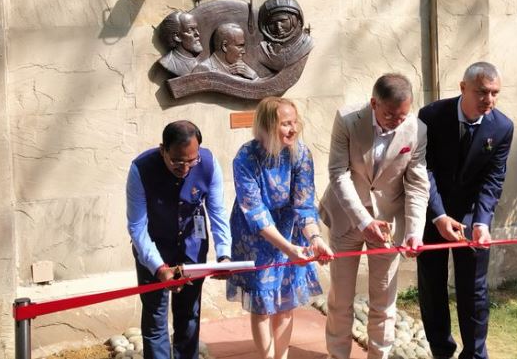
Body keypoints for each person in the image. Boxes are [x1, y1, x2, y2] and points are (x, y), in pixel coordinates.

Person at [319, 73, 430, 359]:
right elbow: (338, 173)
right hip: (346, 217)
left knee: (384, 300)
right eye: (390, 115)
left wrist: (414, 232)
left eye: (403, 115)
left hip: (389, 223)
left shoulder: (417, 129)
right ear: (373, 103)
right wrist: (364, 221)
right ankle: (338, 355)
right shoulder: (346, 120)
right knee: (341, 298)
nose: (397, 122)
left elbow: (417, 185)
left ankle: (379, 355)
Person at [417, 62, 514, 359]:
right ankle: (441, 351)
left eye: (495, 93)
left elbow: (493, 180)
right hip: (432, 212)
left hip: (472, 215)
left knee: (474, 288)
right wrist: (438, 215)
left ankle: (474, 354)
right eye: (482, 92)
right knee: (432, 286)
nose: (489, 100)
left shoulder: (502, 127)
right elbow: (424, 170)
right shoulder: (431, 116)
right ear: (463, 88)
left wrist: (482, 222)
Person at [227, 97, 333, 359]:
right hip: (254, 235)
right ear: (266, 126)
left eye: (295, 122)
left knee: (286, 302)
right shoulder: (245, 157)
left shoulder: (301, 154)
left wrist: (315, 238)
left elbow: (304, 204)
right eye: (286, 124)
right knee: (262, 305)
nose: (293, 129)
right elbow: (256, 213)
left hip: (290, 229)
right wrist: (288, 249)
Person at [126, 121, 232, 359]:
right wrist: (159, 268)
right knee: (155, 316)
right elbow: (137, 226)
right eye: (177, 161)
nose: (184, 168)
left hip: (192, 245)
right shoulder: (140, 169)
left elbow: (218, 212)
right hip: (153, 247)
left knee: (189, 314)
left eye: (191, 161)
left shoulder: (208, 164)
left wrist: (224, 255)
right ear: (162, 149)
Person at [257, 0, 313, 72]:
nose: (278, 27)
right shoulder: (263, 49)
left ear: (295, 20)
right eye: (272, 23)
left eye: (283, 21)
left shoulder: (307, 44)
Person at [193, 23, 258, 80]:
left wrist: (254, 76)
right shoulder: (204, 70)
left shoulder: (242, 69)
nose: (244, 51)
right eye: (239, 46)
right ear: (224, 46)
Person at [158, 11, 203, 76]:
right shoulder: (168, 63)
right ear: (177, 37)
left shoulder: (202, 62)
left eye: (196, 29)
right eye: (190, 30)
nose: (198, 34)